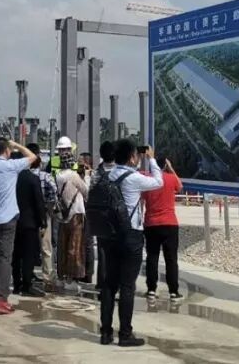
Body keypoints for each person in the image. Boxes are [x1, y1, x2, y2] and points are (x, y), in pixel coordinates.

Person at [99, 140, 162, 347]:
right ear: (132, 158)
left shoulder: (107, 176)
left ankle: (105, 333)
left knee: (109, 284)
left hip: (110, 235)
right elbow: (158, 182)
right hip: (131, 235)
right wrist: (151, 159)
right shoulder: (134, 178)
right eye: (136, 155)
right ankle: (125, 334)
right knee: (127, 285)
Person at [0, 137, 36, 314]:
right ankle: (2, 299)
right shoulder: (11, 166)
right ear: (7, 151)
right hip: (8, 218)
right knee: (5, 258)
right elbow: (33, 157)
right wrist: (16, 144)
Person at [143, 154, 183, 300]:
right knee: (171, 259)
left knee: (152, 257)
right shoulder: (171, 178)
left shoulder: (147, 179)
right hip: (170, 223)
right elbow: (180, 186)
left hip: (151, 223)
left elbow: (142, 197)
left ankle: (151, 289)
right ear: (165, 165)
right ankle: (173, 291)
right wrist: (171, 169)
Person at [12, 148, 47, 296]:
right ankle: (27, 284)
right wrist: (43, 222)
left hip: (13, 220)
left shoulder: (11, 178)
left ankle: (16, 284)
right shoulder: (33, 179)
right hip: (30, 222)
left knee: (15, 255)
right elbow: (39, 202)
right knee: (28, 255)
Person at [54, 147, 88, 288]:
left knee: (63, 245)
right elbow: (86, 191)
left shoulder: (58, 176)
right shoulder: (74, 176)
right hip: (76, 213)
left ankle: (61, 276)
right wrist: (85, 176)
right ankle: (71, 279)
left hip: (63, 215)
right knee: (75, 245)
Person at [28, 143, 58, 289]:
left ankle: (27, 274)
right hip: (43, 215)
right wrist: (49, 209)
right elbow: (54, 193)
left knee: (28, 247)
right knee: (46, 248)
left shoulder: (22, 176)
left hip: (27, 215)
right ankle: (48, 278)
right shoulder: (45, 176)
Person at [90, 140, 117, 292]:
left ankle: (101, 283)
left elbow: (90, 191)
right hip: (116, 217)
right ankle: (113, 282)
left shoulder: (97, 172)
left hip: (100, 217)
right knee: (116, 251)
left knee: (102, 251)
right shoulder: (119, 172)